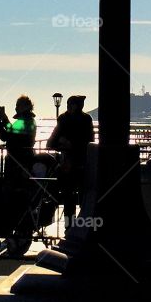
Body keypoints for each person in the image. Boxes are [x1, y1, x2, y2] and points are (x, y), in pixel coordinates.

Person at [0, 95, 38, 255]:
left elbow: (9, 134)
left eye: (18, 105)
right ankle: (14, 230)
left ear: (25, 106)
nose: (16, 108)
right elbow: (9, 135)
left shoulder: (26, 121)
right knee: (14, 196)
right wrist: (1, 122)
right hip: (18, 163)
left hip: (19, 164)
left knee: (12, 197)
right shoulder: (26, 120)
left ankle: (13, 230)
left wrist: (2, 121)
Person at [47, 94, 94, 231]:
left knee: (71, 195)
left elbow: (52, 141)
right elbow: (90, 141)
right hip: (76, 162)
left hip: (72, 162)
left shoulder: (68, 118)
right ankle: (79, 225)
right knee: (77, 195)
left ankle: (71, 226)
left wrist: (66, 143)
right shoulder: (84, 119)